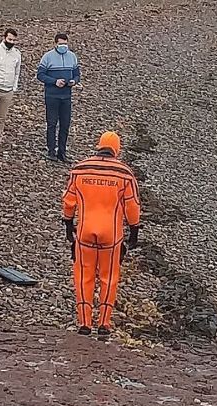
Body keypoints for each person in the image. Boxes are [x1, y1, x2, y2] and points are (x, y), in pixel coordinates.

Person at [62, 131, 141, 340]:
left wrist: (68, 225)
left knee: (83, 275)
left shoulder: (80, 169)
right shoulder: (124, 173)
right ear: (117, 149)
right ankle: (104, 323)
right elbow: (132, 206)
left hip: (85, 231)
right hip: (111, 234)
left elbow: (68, 201)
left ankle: (84, 321)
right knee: (108, 277)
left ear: (98, 146)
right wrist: (134, 232)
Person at [37, 32, 80, 162]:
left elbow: (77, 74)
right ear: (55, 44)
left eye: (65, 44)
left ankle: (62, 152)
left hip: (66, 96)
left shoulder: (72, 57)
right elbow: (40, 75)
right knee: (52, 124)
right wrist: (54, 81)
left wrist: (74, 81)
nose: (63, 46)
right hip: (52, 96)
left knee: (65, 125)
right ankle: (51, 151)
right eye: (61, 44)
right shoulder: (47, 57)